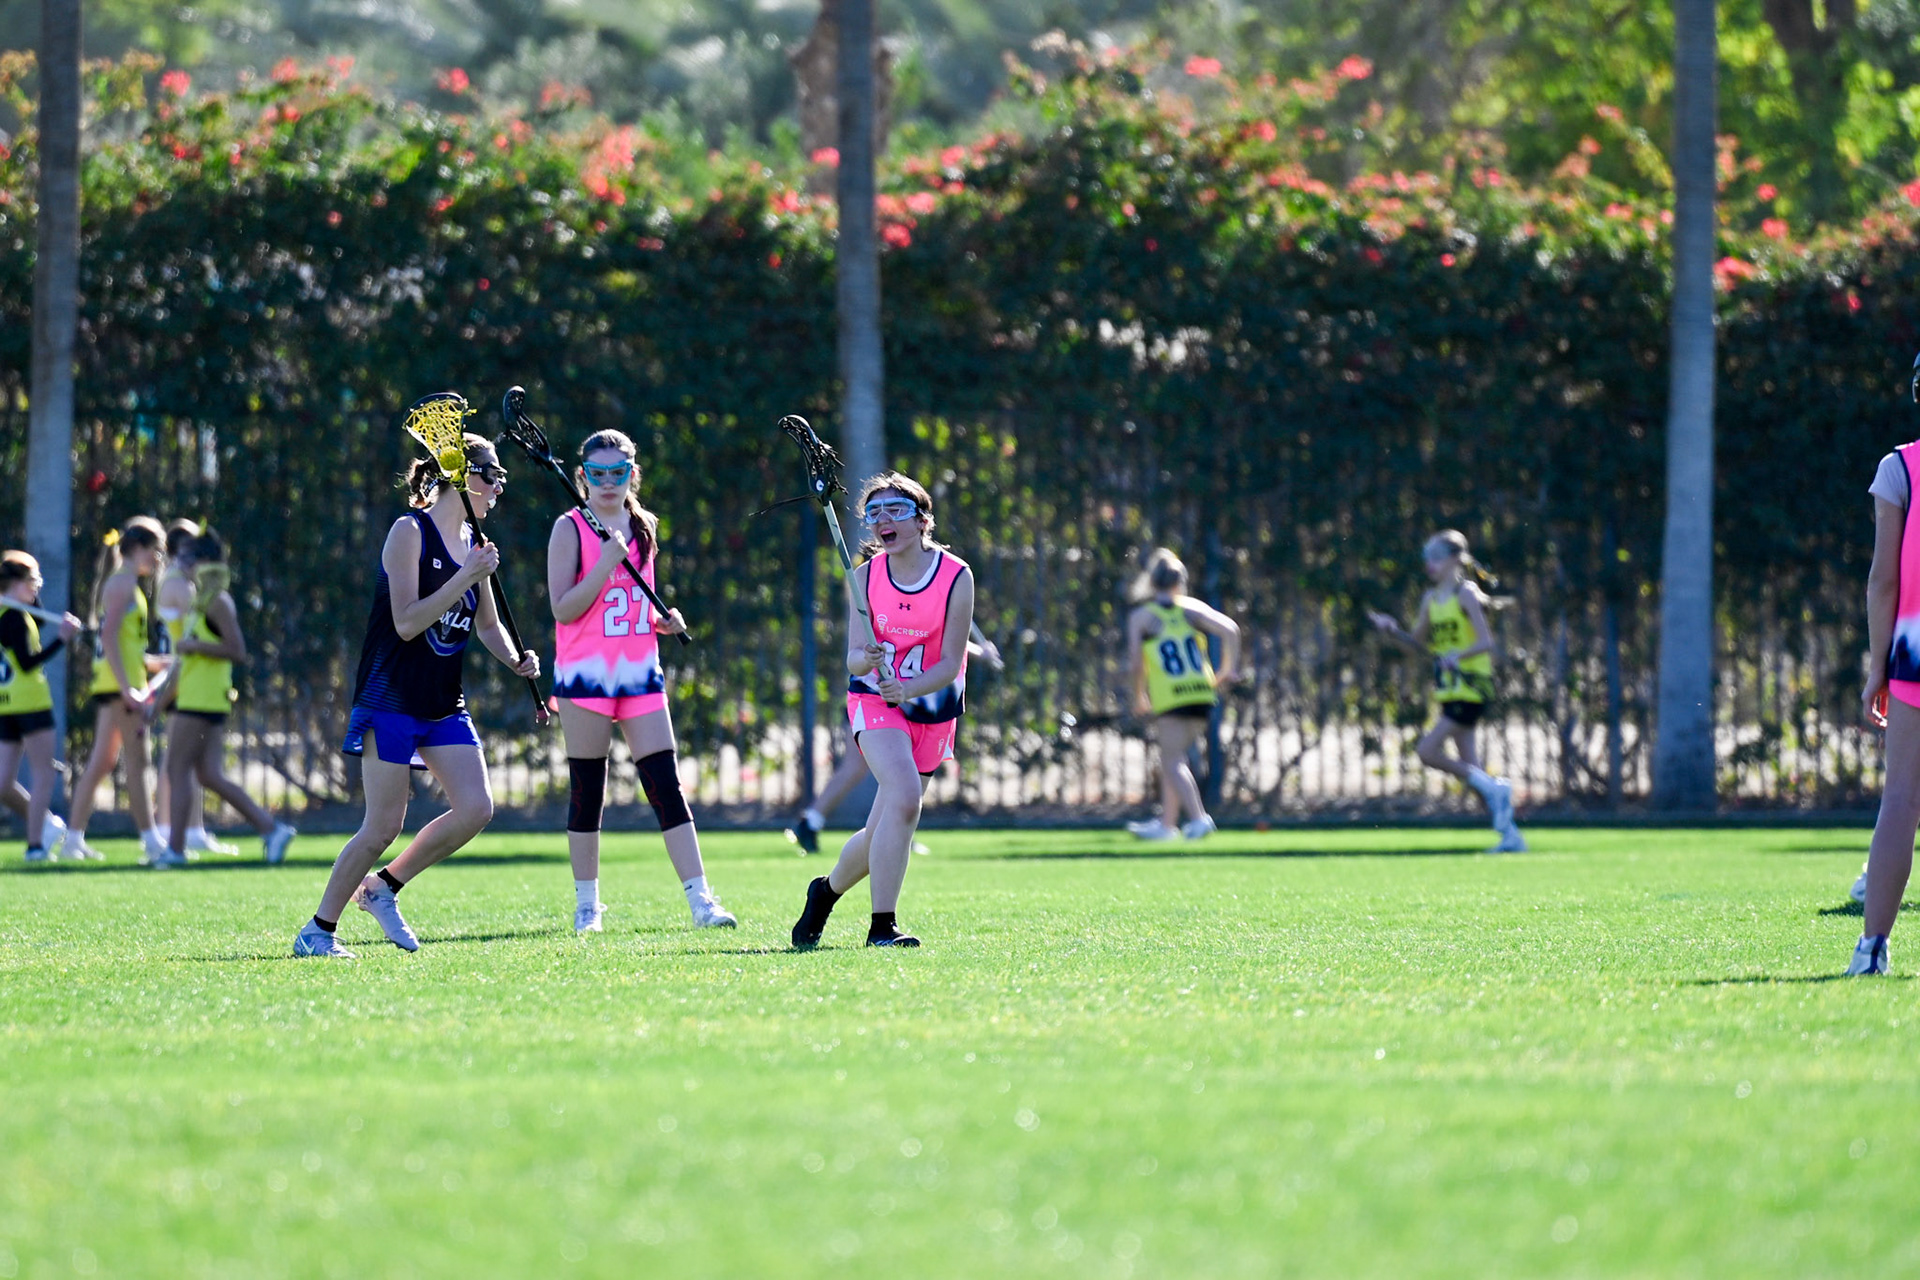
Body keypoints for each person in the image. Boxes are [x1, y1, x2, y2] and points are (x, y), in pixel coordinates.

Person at [292, 432, 541, 958]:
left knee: (476, 808)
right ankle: (317, 931)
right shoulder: (409, 532)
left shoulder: (474, 545)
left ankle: (382, 888)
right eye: (492, 475)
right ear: (460, 477)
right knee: (382, 826)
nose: (499, 487)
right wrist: (466, 576)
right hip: (390, 701)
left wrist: (516, 659)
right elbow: (406, 622)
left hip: (442, 703)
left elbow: (488, 625)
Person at [546, 429, 735, 934]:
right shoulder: (569, 528)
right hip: (585, 675)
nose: (608, 482)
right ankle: (588, 907)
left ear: (633, 473)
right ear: (583, 475)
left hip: (639, 673)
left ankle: (701, 901)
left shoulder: (643, 525)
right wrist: (604, 564)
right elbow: (564, 609)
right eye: (598, 473)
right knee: (588, 790)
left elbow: (634, 601)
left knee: (666, 785)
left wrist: (662, 620)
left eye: (619, 472)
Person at [791, 473, 974, 949]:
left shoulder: (956, 576)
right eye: (874, 512)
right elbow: (853, 659)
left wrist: (908, 688)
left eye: (896, 510)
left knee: (881, 830)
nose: (883, 520)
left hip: (932, 705)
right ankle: (882, 927)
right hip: (874, 701)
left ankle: (825, 893)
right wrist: (868, 659)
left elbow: (950, 663)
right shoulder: (866, 577)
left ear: (923, 520)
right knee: (906, 799)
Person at [1367, 529, 1525, 852]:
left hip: (1472, 686)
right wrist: (1392, 630)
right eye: (1427, 558)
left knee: (1426, 751)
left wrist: (1457, 656)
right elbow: (1415, 646)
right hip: (1450, 690)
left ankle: (1496, 788)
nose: (1430, 564)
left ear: (1455, 560)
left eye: (1437, 557)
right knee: (1472, 772)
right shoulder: (1430, 599)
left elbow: (1486, 642)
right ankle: (1510, 836)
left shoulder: (1465, 594)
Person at [784, 624, 1001, 854]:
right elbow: (923, 634)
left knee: (881, 771)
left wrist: (978, 650)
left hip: (906, 698)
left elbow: (939, 635)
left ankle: (826, 822)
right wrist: (980, 651)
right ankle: (814, 821)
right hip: (877, 697)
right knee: (861, 767)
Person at [156, 533, 297, 869]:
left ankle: (175, 850)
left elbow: (237, 650)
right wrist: (158, 705)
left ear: (207, 563)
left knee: (177, 769)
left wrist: (195, 646)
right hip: (198, 695)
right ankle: (271, 829)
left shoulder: (217, 601)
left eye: (190, 559)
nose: (184, 566)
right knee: (208, 774)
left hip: (203, 699)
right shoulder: (200, 601)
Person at [1848, 393, 1920, 974]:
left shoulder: (1899, 468)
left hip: (1915, 649)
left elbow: (1884, 581)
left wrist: (1879, 667)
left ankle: (1872, 949)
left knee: (1901, 799)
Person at [66, 518, 169, 864]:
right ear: (137, 548)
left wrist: (154, 663)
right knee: (139, 763)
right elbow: (108, 637)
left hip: (118, 685)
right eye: (154, 550)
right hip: (121, 689)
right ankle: (152, 842)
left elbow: (124, 644)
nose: (157, 559)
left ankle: (72, 839)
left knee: (102, 762)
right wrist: (128, 689)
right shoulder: (123, 584)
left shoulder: (125, 584)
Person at [1122, 548, 1241, 841]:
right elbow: (1231, 630)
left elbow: (1137, 664)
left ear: (1151, 581)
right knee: (1172, 758)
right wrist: (1227, 671)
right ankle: (1167, 824)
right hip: (1201, 692)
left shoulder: (1141, 617)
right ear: (1179, 581)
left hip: (1171, 695)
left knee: (1173, 760)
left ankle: (1199, 818)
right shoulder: (1191, 609)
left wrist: (1139, 696)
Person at [153, 517, 231, 857]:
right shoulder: (179, 585)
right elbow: (195, 634)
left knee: (189, 766)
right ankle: (171, 832)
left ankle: (188, 832)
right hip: (186, 680)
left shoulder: (193, 588)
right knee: (178, 764)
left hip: (191, 680)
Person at [0, 552, 81, 862]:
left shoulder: (16, 612)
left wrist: (28, 597)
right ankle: (39, 840)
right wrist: (63, 639)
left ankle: (41, 834)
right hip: (29, 704)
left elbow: (39, 616)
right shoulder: (13, 618)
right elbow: (27, 662)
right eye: (33, 581)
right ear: (16, 582)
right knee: (40, 774)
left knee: (10, 781)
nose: (37, 587)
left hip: (10, 704)